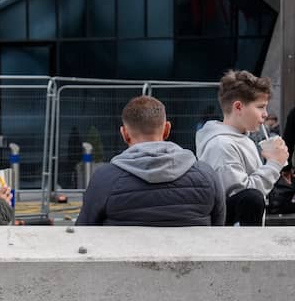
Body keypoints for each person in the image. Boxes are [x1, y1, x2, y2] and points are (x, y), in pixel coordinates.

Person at [76, 96, 225, 226]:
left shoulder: (105, 179)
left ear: (125, 134)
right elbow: (218, 226)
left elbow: (84, 230)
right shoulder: (207, 175)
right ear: (167, 130)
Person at [196, 70, 289, 226]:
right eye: (260, 107)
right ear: (238, 107)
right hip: (233, 242)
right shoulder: (221, 145)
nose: (265, 114)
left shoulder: (242, 139)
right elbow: (245, 199)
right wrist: (274, 165)